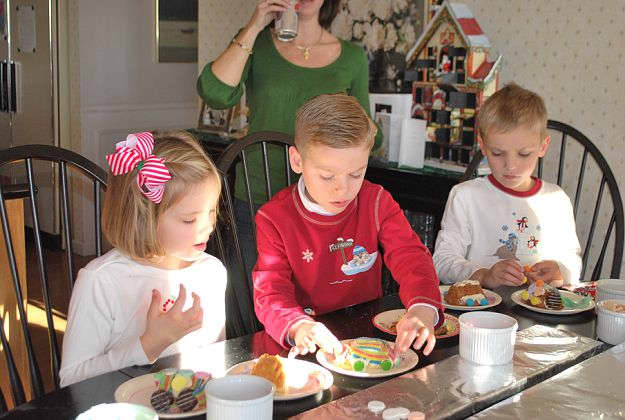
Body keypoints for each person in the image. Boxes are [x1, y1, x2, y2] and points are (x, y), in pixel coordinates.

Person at [197, 0, 382, 286]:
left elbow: (370, 135)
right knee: (254, 297)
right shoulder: (257, 43)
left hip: (321, 203)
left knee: (316, 297)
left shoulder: (352, 57)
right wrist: (256, 23)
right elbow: (215, 94)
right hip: (258, 193)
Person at [253, 94, 443, 358]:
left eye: (356, 174)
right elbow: (271, 292)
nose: (342, 188)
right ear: (297, 161)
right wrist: (299, 326)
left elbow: (410, 256)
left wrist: (422, 309)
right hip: (308, 342)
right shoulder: (274, 218)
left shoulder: (376, 201)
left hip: (371, 336)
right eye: (327, 175)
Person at [59, 131, 226, 386]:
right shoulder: (102, 281)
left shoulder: (211, 272)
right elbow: (71, 379)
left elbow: (217, 358)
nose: (207, 227)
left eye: (212, 211)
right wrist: (150, 343)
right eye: (189, 219)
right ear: (143, 219)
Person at [433, 83, 582, 288]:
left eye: (524, 154)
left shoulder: (556, 200)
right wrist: (484, 275)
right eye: (497, 153)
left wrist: (560, 271)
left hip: (538, 313)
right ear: (483, 146)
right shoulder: (465, 196)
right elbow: (442, 261)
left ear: (543, 147)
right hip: (479, 314)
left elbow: (572, 261)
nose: (510, 165)